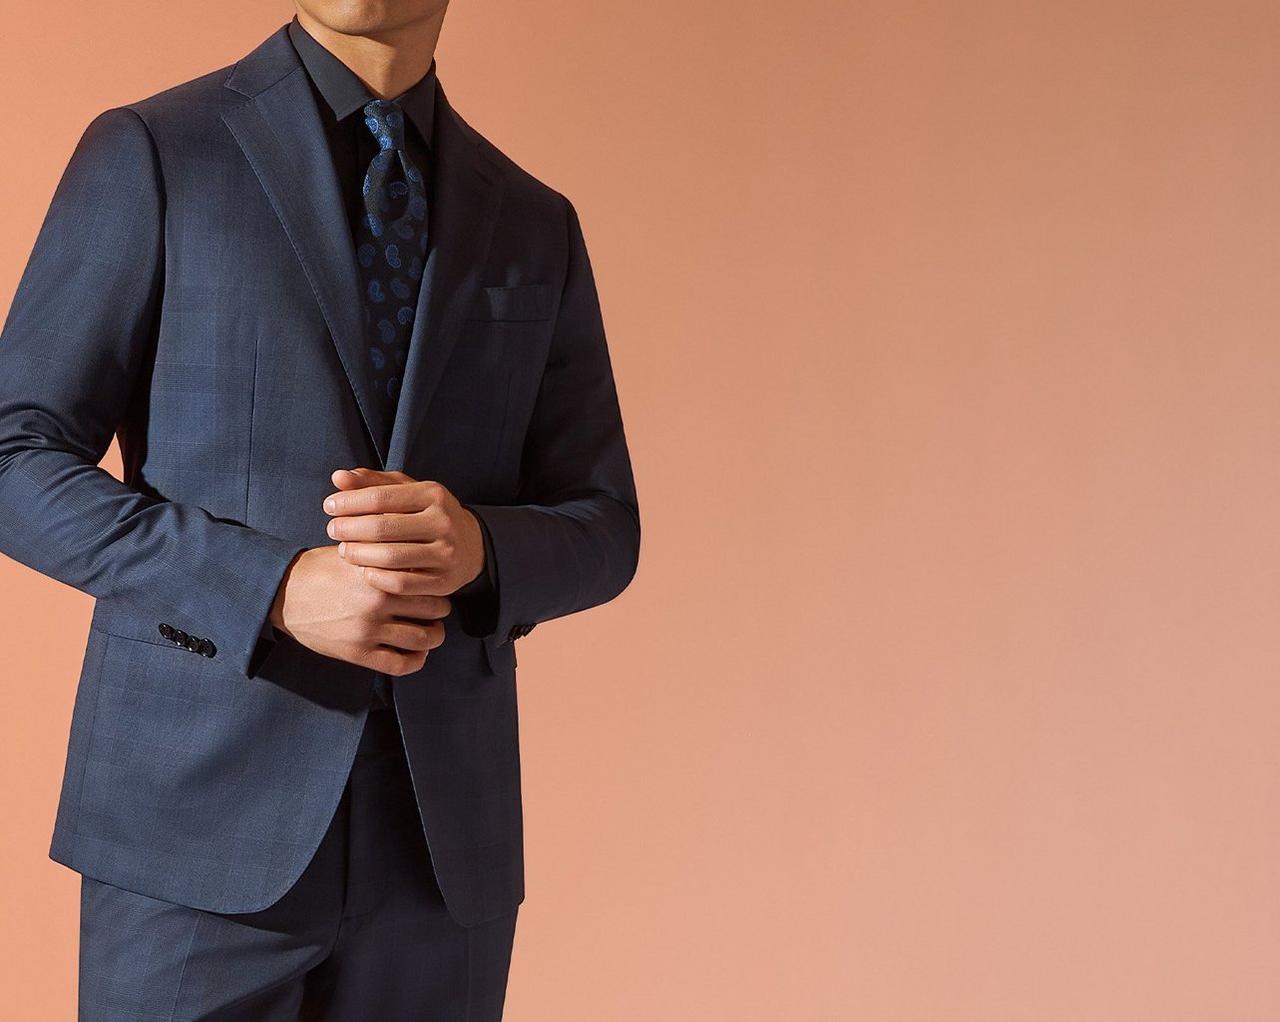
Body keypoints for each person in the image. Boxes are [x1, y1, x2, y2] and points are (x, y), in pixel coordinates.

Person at [0, 1, 639, 1017]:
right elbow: (13, 453)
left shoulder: (531, 219)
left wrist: (477, 546)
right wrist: (275, 587)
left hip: (440, 858)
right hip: (188, 838)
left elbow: (603, 523)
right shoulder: (159, 152)